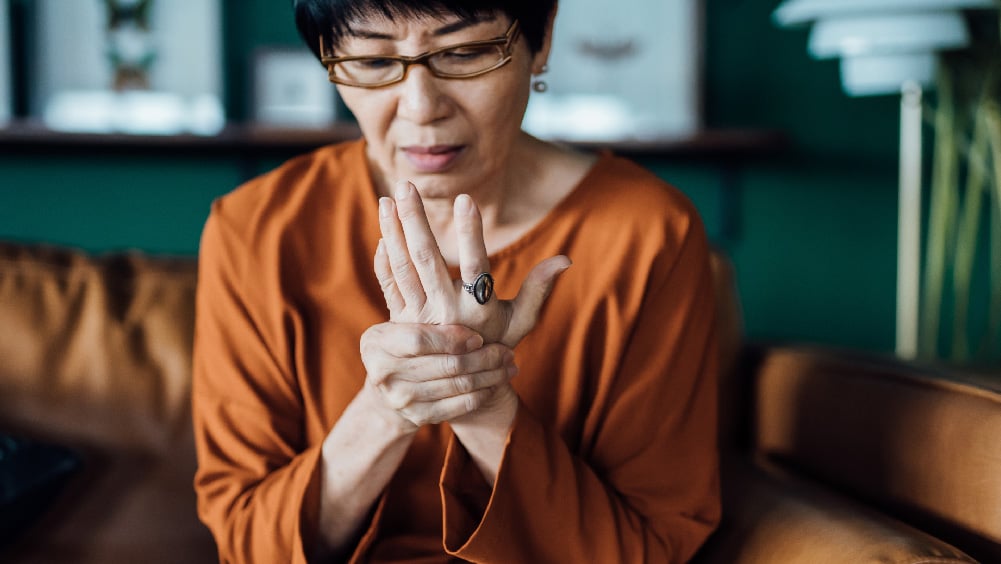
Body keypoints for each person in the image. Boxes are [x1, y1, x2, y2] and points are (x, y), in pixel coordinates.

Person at [191, 0, 721, 562]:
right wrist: (388, 408)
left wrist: (482, 400)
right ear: (329, 58)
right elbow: (250, 544)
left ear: (539, 44)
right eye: (372, 62)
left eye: (465, 53)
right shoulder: (257, 229)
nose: (421, 109)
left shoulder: (648, 233)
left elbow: (651, 547)